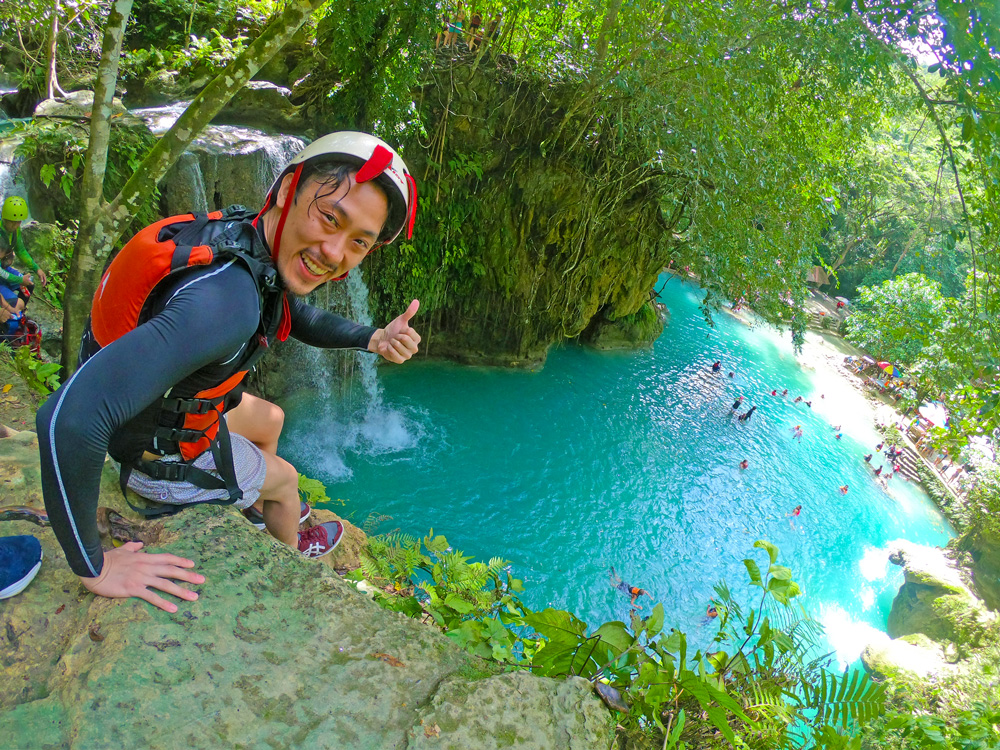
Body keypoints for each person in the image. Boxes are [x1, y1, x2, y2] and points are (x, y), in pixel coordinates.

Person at [38, 132, 422, 614]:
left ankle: (245, 502)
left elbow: (291, 314)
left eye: (358, 242)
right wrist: (94, 567)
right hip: (151, 457)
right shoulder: (223, 306)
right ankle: (290, 562)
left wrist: (373, 339)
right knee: (286, 482)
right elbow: (66, 420)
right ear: (287, 190)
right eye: (329, 217)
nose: (334, 252)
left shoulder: (244, 237)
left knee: (271, 419)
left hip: (153, 411)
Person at [1, 197, 48, 288]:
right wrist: (20, 280)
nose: (15, 226)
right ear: (4, 218)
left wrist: (37, 269)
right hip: (1, 272)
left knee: (30, 285)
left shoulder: (16, 229)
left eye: (18, 222)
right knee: (13, 301)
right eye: (12, 222)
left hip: (4, 268)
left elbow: (21, 251)